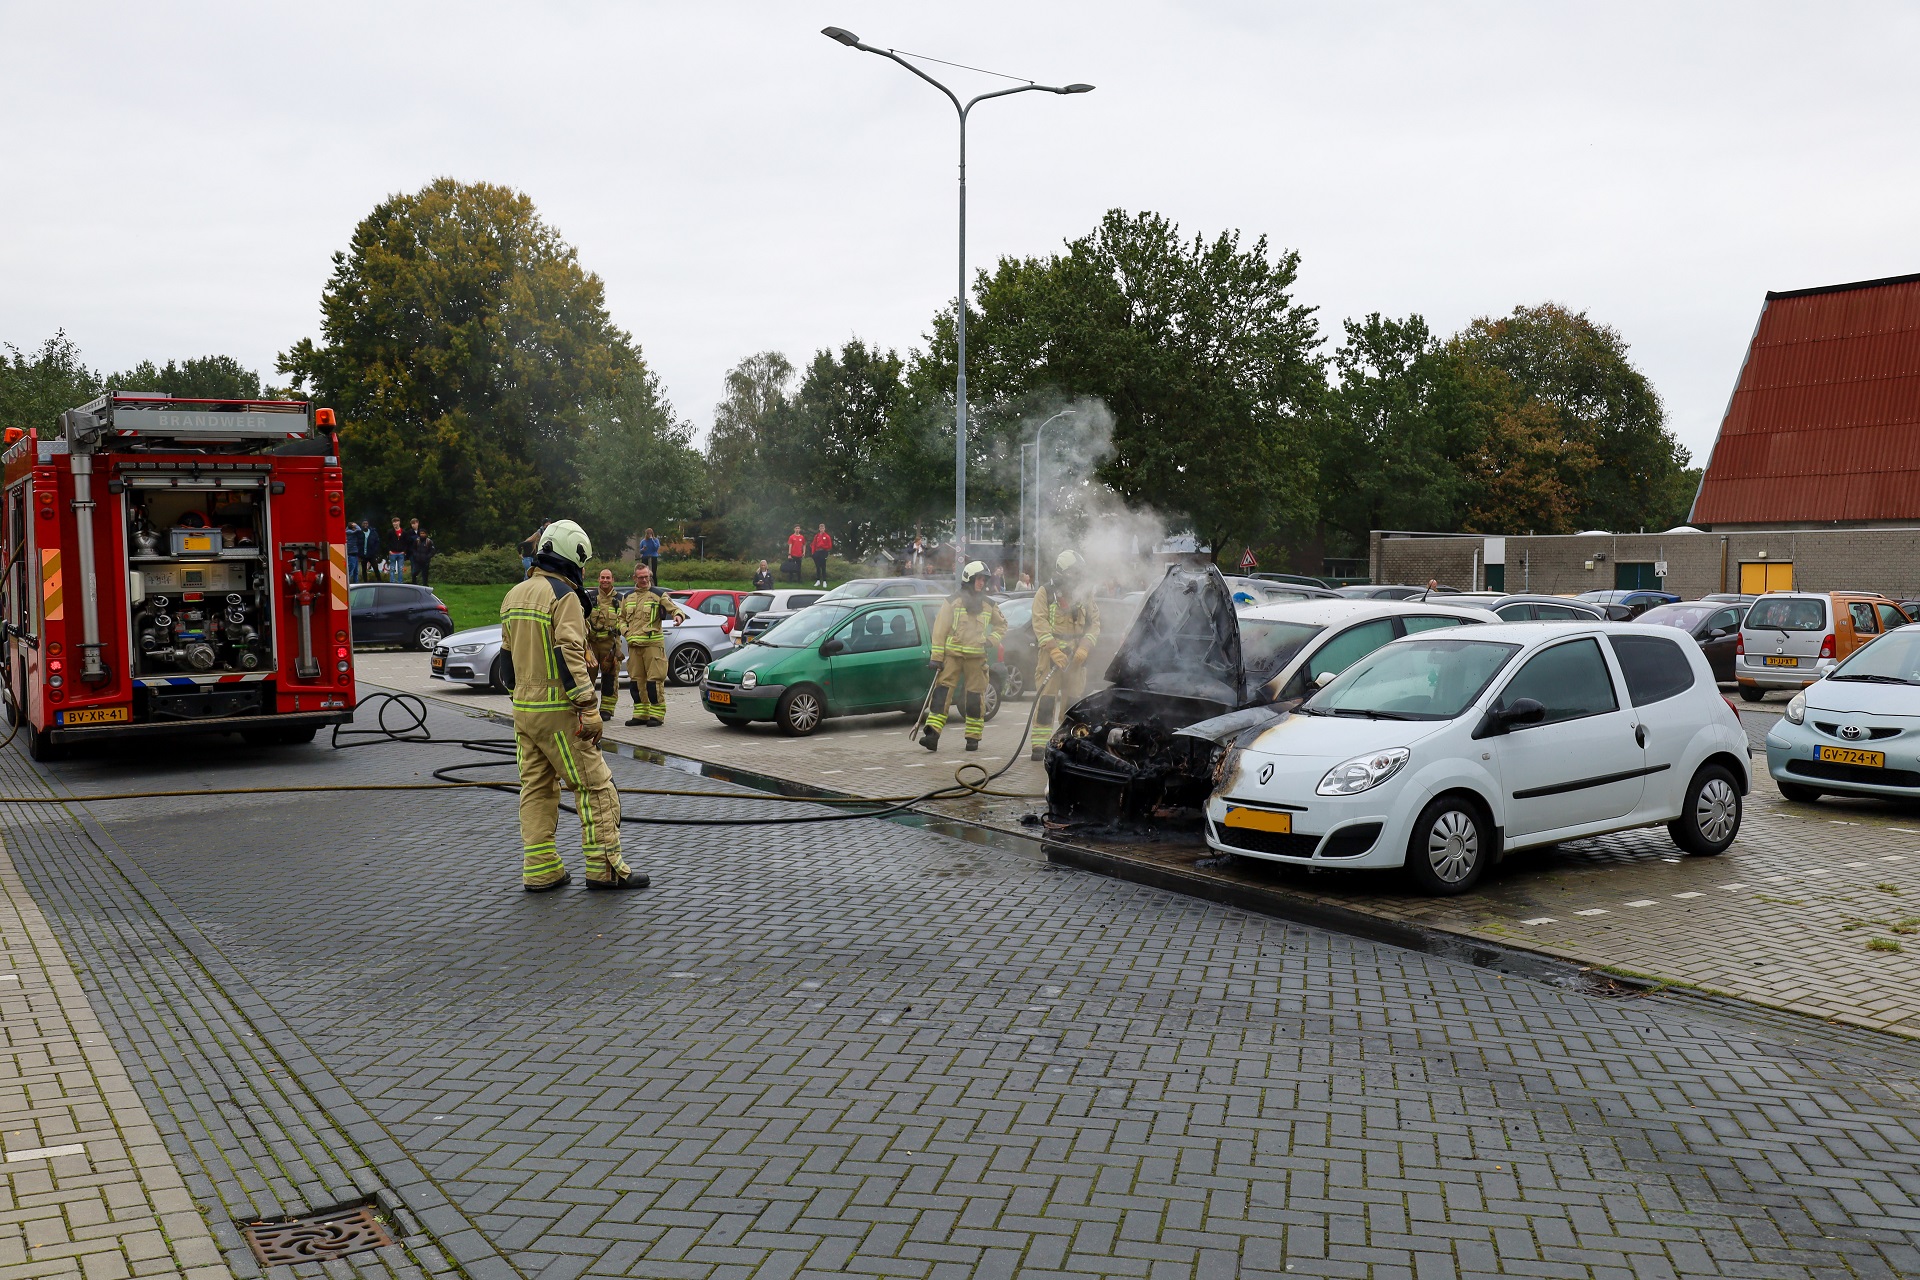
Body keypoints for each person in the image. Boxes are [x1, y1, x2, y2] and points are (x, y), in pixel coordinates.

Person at [499, 518, 644, 892]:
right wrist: (588, 707)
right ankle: (605, 868)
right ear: (571, 557)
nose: (584, 572)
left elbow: (506, 663)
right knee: (595, 786)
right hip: (560, 713)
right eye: (583, 564)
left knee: (537, 788)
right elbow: (568, 654)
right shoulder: (562, 595)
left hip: (524, 714)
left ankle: (541, 870)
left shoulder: (514, 594)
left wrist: (523, 697)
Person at [922, 561, 1006, 754]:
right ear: (969, 579)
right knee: (942, 693)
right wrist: (936, 657)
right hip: (953, 656)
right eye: (979, 579)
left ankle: (973, 738)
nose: (982, 582)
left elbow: (1002, 625)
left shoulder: (989, 604)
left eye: (984, 579)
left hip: (976, 659)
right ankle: (932, 735)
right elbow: (939, 630)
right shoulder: (952, 602)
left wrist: (992, 639)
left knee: (975, 698)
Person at [1029, 550, 1102, 761]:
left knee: (1073, 704)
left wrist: (1084, 648)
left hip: (1076, 660)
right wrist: (1053, 649)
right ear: (1063, 572)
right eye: (1075, 572)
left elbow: (1094, 624)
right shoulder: (1046, 592)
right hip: (1050, 658)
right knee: (1046, 702)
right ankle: (1039, 746)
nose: (1079, 577)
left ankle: (1067, 743)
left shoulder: (1085, 594)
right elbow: (1039, 623)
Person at [620, 562, 687, 727]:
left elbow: (675, 609)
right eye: (641, 577)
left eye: (646, 577)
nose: (644, 580)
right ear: (634, 577)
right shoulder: (627, 597)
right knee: (636, 682)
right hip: (634, 646)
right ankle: (640, 714)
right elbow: (620, 619)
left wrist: (678, 616)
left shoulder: (659, 594)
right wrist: (626, 632)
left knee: (654, 682)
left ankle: (656, 715)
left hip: (653, 646)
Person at [584, 567, 624, 720]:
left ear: (613, 580)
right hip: (592, 644)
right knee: (587, 678)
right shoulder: (590, 598)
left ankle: (607, 710)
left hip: (611, 645)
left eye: (608, 578)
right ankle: (588, 708)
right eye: (602, 577)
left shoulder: (620, 600)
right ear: (598, 580)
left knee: (610, 679)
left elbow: (625, 620)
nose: (605, 580)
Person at [410, 521, 435, 586]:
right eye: (421, 533)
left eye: (423, 533)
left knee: (425, 574)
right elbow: (413, 549)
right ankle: (414, 584)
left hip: (425, 561)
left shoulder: (429, 541)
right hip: (417, 561)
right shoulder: (417, 541)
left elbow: (432, 551)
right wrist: (415, 555)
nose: (422, 534)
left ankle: (425, 585)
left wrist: (427, 557)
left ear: (426, 534)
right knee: (414, 573)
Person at [810, 523, 833, 588]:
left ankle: (824, 581)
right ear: (819, 529)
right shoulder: (817, 536)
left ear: (824, 529)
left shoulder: (827, 536)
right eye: (820, 528)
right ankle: (818, 580)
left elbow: (829, 546)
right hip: (817, 552)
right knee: (817, 566)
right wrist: (813, 552)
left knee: (823, 566)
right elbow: (814, 544)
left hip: (824, 552)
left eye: (823, 528)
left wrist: (823, 546)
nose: (821, 529)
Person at [387, 517, 409, 582]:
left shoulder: (404, 532)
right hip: (392, 553)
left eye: (396, 522)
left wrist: (404, 551)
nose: (395, 523)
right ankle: (392, 582)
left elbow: (406, 542)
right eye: (394, 522)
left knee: (400, 569)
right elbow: (387, 542)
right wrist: (389, 550)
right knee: (392, 568)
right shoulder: (390, 532)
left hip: (400, 553)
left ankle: (400, 582)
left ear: (399, 522)